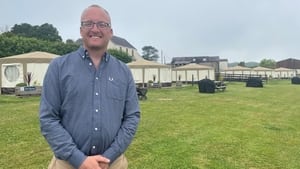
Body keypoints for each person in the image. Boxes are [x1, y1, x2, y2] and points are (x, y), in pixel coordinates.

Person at [39, 4, 140, 169]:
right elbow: (48, 118)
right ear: (80, 30)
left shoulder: (124, 71)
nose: (95, 29)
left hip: (113, 164)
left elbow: (132, 117)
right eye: (88, 23)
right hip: (67, 164)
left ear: (110, 32)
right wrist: (79, 159)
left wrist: (108, 157)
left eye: (102, 24)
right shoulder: (58, 67)